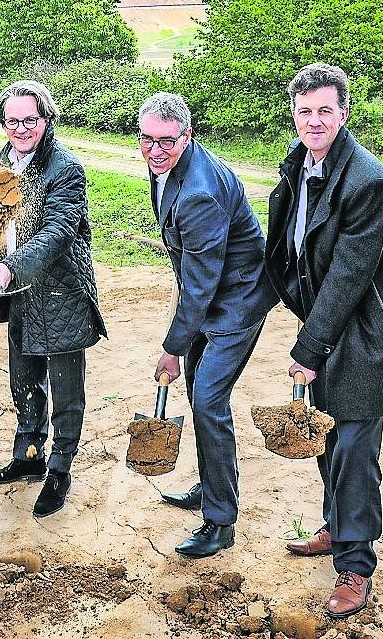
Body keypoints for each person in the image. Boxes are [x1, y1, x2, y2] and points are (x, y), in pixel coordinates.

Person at [265, 64, 383, 618]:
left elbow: (350, 274)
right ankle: (337, 526)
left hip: (365, 334)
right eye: (304, 111)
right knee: (327, 439)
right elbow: (287, 251)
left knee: (354, 448)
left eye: (325, 110)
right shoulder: (299, 166)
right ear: (294, 113)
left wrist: (308, 347)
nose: (314, 121)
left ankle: (355, 566)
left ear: (344, 112)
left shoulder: (368, 181)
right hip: (326, 327)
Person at [136, 92, 276, 557]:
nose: (155, 151)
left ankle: (220, 521)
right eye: (147, 139)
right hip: (210, 288)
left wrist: (173, 347)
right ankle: (211, 482)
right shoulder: (168, 167)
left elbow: (200, 283)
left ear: (187, 137)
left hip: (237, 299)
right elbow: (194, 273)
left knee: (209, 399)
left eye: (166, 142)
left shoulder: (199, 194)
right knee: (200, 395)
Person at [0, 80, 106, 519]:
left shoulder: (65, 168)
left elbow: (57, 231)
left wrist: (13, 266)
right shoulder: (3, 162)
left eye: (30, 119)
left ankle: (60, 470)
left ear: (46, 119)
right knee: (23, 378)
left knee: (67, 388)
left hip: (60, 291)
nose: (21, 128)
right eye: (12, 121)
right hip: (20, 293)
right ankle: (29, 455)